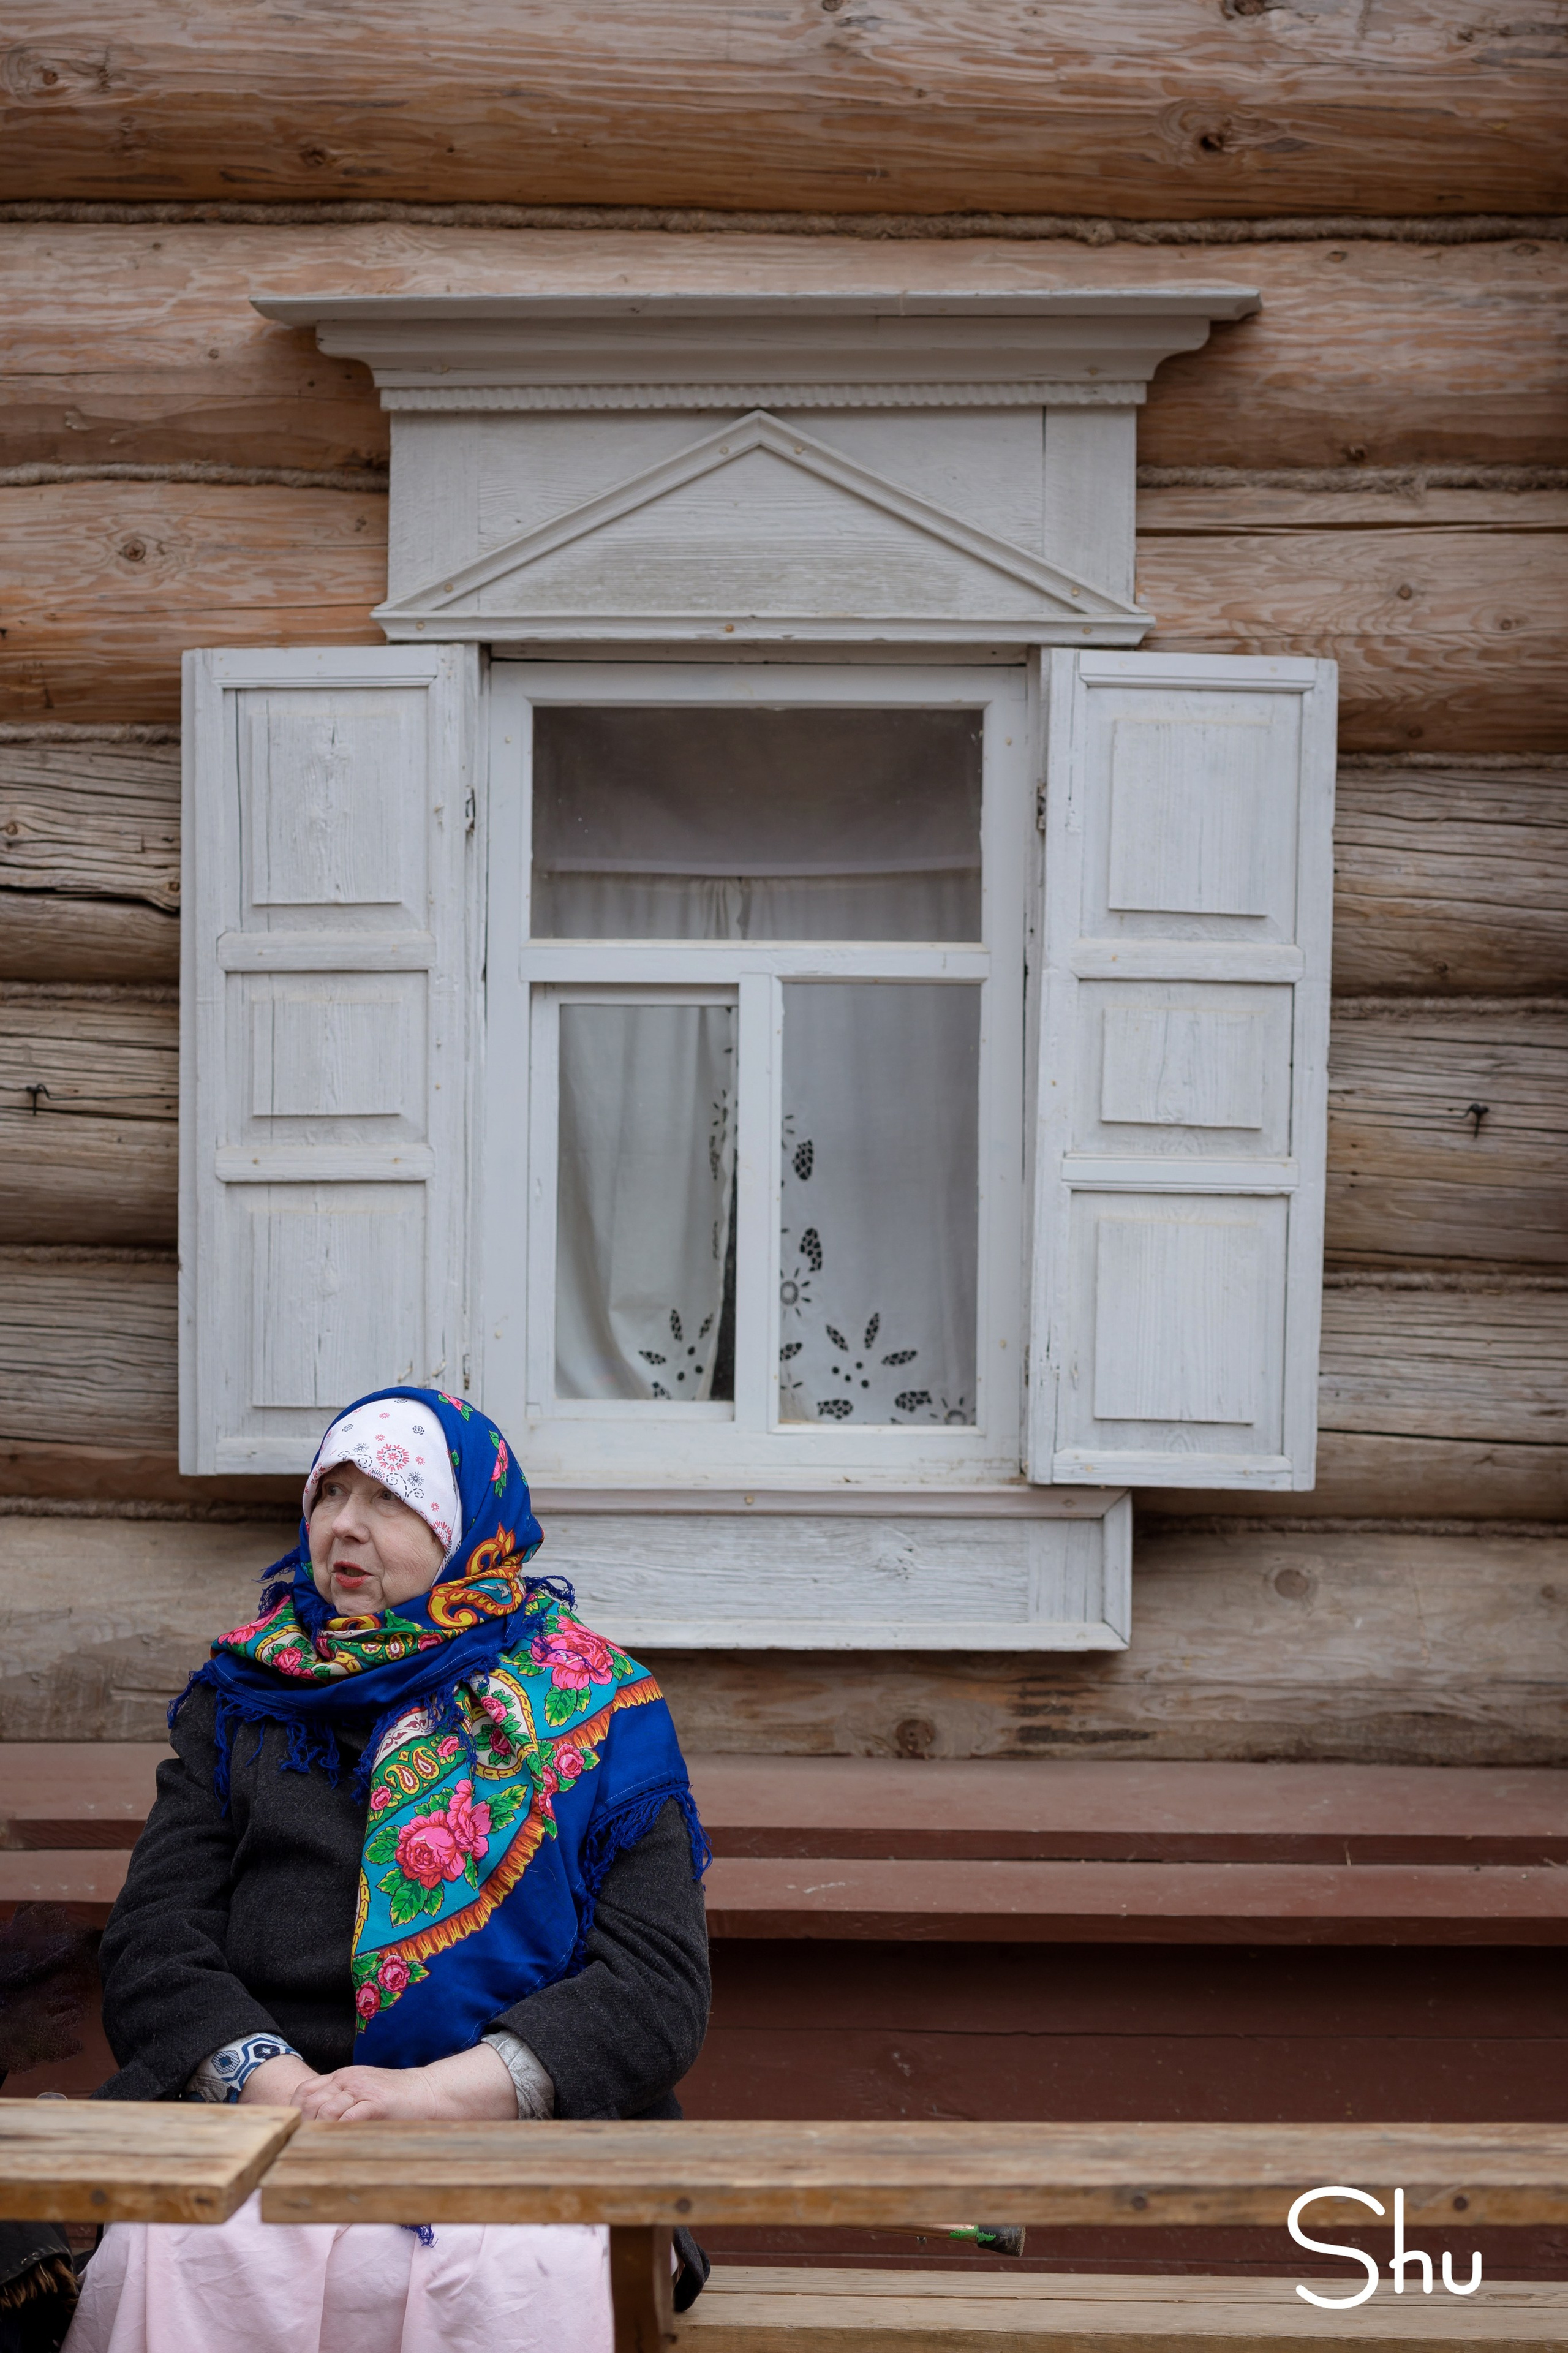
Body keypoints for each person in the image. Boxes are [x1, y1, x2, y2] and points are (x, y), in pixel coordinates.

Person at [67, 1387, 711, 2353]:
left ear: (468, 1528)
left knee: (509, 2276)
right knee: (194, 2250)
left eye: (391, 1499)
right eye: (331, 1494)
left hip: (524, 2140)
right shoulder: (245, 1696)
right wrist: (279, 2085)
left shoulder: (596, 1707)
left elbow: (656, 1985)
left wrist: (441, 2094)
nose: (346, 1528)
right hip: (272, 2127)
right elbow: (157, 1942)